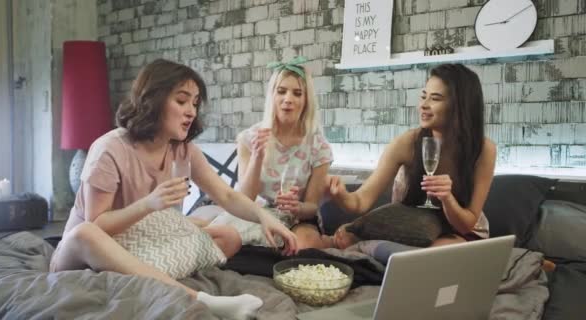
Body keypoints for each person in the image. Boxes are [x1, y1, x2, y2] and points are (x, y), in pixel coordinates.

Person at [49, 59, 298, 320]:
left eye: (195, 103)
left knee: (229, 236)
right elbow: (97, 224)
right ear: (153, 100)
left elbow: (225, 195)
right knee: (84, 233)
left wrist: (264, 217)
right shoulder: (109, 149)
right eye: (182, 101)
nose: (191, 111)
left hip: (140, 242)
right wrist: (149, 204)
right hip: (86, 252)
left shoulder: (183, 149)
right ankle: (203, 300)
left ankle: (142, 274)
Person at [327, 63, 497, 261]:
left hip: (462, 232)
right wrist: (339, 194)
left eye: (435, 98)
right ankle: (374, 249)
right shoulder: (407, 143)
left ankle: (370, 249)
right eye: (423, 96)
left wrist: (447, 199)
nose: (423, 105)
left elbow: (467, 223)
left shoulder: (483, 150)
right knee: (347, 237)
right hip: (415, 229)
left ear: (460, 105)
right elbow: (360, 201)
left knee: (439, 255)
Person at [208, 56, 333, 250]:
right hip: (261, 212)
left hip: (300, 220)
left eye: (297, 93)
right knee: (219, 237)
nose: (288, 100)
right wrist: (258, 156)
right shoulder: (250, 138)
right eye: (281, 91)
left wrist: (297, 207)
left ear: (306, 100)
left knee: (303, 247)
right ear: (272, 96)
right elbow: (245, 198)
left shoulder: (319, 146)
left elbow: (312, 207)